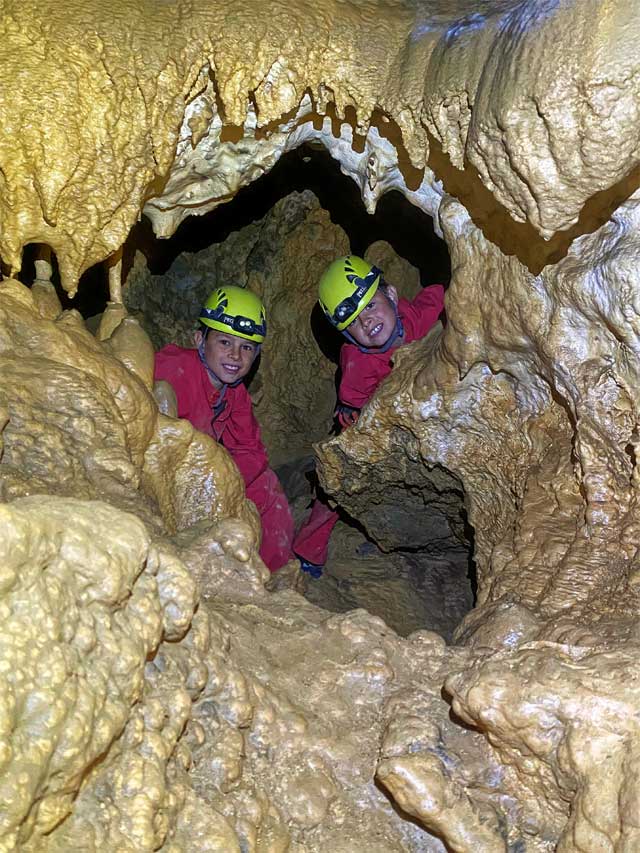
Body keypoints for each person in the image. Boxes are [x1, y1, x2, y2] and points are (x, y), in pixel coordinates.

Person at [293, 255, 445, 577]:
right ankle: (308, 549)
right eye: (353, 323)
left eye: (371, 306)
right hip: (361, 420)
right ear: (345, 335)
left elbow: (444, 292)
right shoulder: (359, 367)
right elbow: (355, 424)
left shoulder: (416, 314)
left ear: (390, 295)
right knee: (333, 485)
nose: (367, 322)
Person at [154, 285, 295, 572]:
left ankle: (272, 573)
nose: (235, 355)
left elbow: (250, 450)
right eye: (224, 342)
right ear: (199, 340)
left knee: (264, 485)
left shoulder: (235, 393)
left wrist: (223, 486)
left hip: (203, 477)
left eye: (246, 347)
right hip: (162, 478)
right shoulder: (173, 369)